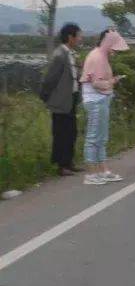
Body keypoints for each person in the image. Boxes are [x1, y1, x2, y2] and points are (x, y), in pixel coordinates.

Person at [79, 29, 129, 185]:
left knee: (101, 137)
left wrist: (111, 81)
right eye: (114, 47)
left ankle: (102, 170)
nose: (115, 51)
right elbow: (96, 82)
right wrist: (113, 82)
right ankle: (91, 174)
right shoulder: (98, 57)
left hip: (100, 99)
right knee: (94, 137)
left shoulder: (101, 55)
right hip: (96, 100)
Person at [40, 23, 84, 176]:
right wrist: (46, 97)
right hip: (61, 101)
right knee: (61, 134)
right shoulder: (60, 55)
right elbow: (50, 80)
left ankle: (69, 162)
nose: (80, 39)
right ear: (70, 37)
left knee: (71, 132)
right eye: (78, 36)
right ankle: (61, 165)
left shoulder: (71, 53)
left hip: (70, 100)